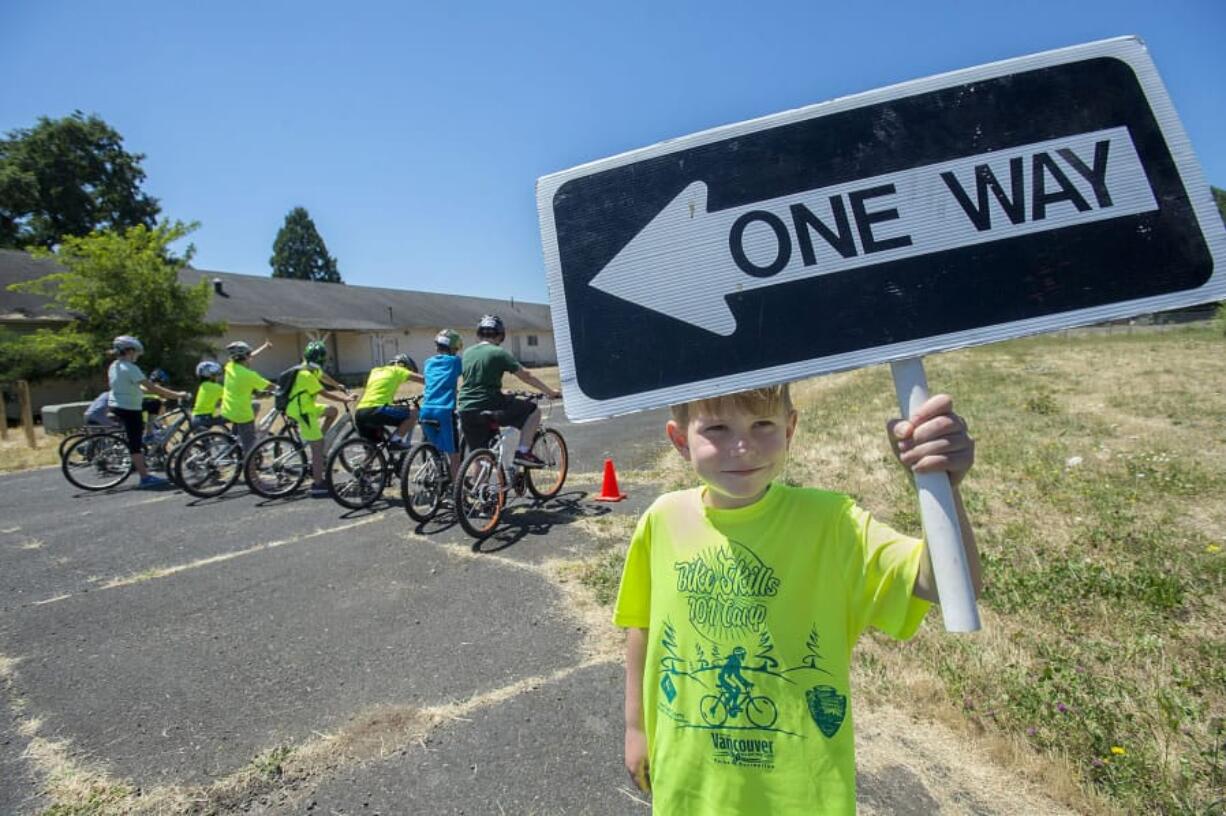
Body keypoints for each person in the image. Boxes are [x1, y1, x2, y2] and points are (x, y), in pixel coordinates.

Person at [614, 384, 981, 814]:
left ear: (790, 429)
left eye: (763, 424)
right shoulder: (662, 519)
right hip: (689, 791)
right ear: (680, 440)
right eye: (716, 427)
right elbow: (641, 625)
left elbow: (951, 586)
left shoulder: (832, 524)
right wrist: (636, 728)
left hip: (802, 797)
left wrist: (938, 485)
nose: (742, 446)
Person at [456, 314, 561, 465]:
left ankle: (479, 486)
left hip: (466, 408)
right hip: (490, 404)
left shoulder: (467, 353)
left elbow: (477, 381)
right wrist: (550, 392)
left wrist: (502, 391)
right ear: (500, 335)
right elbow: (526, 375)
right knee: (533, 411)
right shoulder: (499, 352)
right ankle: (523, 452)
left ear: (479, 334)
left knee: (479, 456)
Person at [106, 335, 190, 489]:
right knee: (135, 445)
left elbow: (138, 386)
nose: (137, 355)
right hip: (129, 408)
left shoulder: (115, 365)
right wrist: (176, 394)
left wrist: (156, 394)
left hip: (116, 405)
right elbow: (151, 386)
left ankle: (150, 433)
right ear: (129, 351)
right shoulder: (130, 368)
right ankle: (145, 478)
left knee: (154, 403)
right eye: (137, 352)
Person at [284, 340, 354, 497]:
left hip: (307, 407)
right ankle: (317, 484)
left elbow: (325, 377)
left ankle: (319, 438)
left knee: (332, 411)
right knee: (317, 449)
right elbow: (323, 393)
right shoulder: (305, 374)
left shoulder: (310, 368)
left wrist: (339, 386)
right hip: (302, 411)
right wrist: (345, 400)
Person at [419, 329, 464, 477]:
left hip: (425, 410)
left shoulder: (428, 362)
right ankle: (456, 491)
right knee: (454, 455)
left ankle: (436, 479)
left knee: (435, 448)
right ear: (453, 348)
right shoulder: (455, 361)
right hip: (444, 410)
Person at [354, 353, 422, 449]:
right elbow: (423, 380)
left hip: (360, 412)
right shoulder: (398, 370)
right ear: (402, 365)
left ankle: (366, 463)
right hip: (377, 409)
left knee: (373, 449)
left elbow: (379, 391)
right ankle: (395, 441)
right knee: (414, 412)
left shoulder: (375, 371)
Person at [220, 341, 273, 453]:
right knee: (250, 448)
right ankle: (251, 470)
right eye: (249, 355)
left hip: (228, 408)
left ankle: (237, 439)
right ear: (246, 357)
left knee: (255, 404)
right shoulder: (248, 375)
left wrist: (263, 346)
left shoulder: (229, 366)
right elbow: (270, 386)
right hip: (242, 413)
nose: (252, 358)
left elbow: (252, 355)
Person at [190, 361, 226, 432]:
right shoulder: (215, 387)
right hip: (204, 419)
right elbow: (230, 397)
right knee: (231, 418)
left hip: (195, 418)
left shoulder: (202, 386)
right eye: (215, 375)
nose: (216, 377)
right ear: (210, 375)